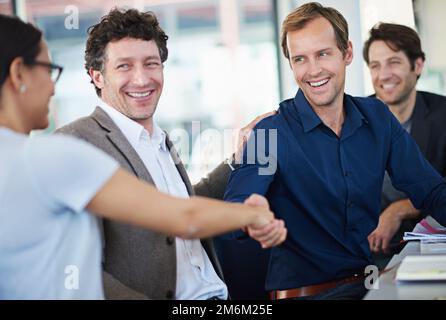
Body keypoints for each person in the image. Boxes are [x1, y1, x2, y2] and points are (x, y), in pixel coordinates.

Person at [0, 14, 282, 300]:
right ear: (97, 76)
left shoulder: (159, 139)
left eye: (151, 64)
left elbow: (182, 204)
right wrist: (252, 214)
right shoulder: (73, 142)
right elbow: (182, 218)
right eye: (124, 66)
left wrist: (242, 156)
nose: (142, 78)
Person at [224, 2, 446, 300]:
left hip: (370, 285)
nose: (313, 70)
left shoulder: (377, 118)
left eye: (323, 54)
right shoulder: (268, 133)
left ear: (348, 53)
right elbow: (237, 206)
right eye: (300, 59)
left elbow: (431, 191)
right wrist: (253, 217)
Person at [362, 22, 446, 267]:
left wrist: (400, 209)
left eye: (394, 62)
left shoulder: (443, 115)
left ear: (417, 65)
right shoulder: (352, 119)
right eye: (375, 66)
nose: (384, 74)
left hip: (430, 251)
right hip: (363, 257)